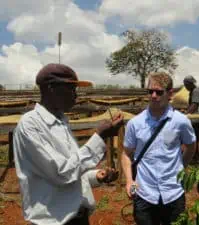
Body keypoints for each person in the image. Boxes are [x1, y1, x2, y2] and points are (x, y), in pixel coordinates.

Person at [13, 63, 123, 225]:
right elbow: (60, 173)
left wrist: (96, 176)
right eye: (70, 89)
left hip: (77, 216)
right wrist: (99, 136)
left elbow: (72, 168)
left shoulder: (61, 122)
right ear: (51, 88)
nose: (75, 95)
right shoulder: (30, 125)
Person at [121, 72, 196, 225]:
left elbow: (191, 146)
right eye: (150, 91)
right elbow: (126, 154)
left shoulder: (181, 122)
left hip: (173, 191)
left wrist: (181, 167)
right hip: (144, 192)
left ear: (170, 93)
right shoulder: (135, 123)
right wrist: (129, 181)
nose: (154, 96)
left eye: (159, 92)